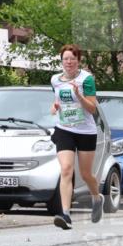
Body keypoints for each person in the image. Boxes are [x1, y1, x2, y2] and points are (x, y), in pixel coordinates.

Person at [50, 44, 103, 229]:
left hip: (86, 131)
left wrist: (79, 95)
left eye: (72, 58)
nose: (69, 62)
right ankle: (65, 214)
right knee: (66, 169)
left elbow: (92, 108)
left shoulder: (86, 79)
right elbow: (57, 101)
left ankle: (97, 198)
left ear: (78, 60)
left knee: (86, 174)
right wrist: (54, 107)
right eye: (66, 59)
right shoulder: (55, 80)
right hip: (64, 129)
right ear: (61, 61)